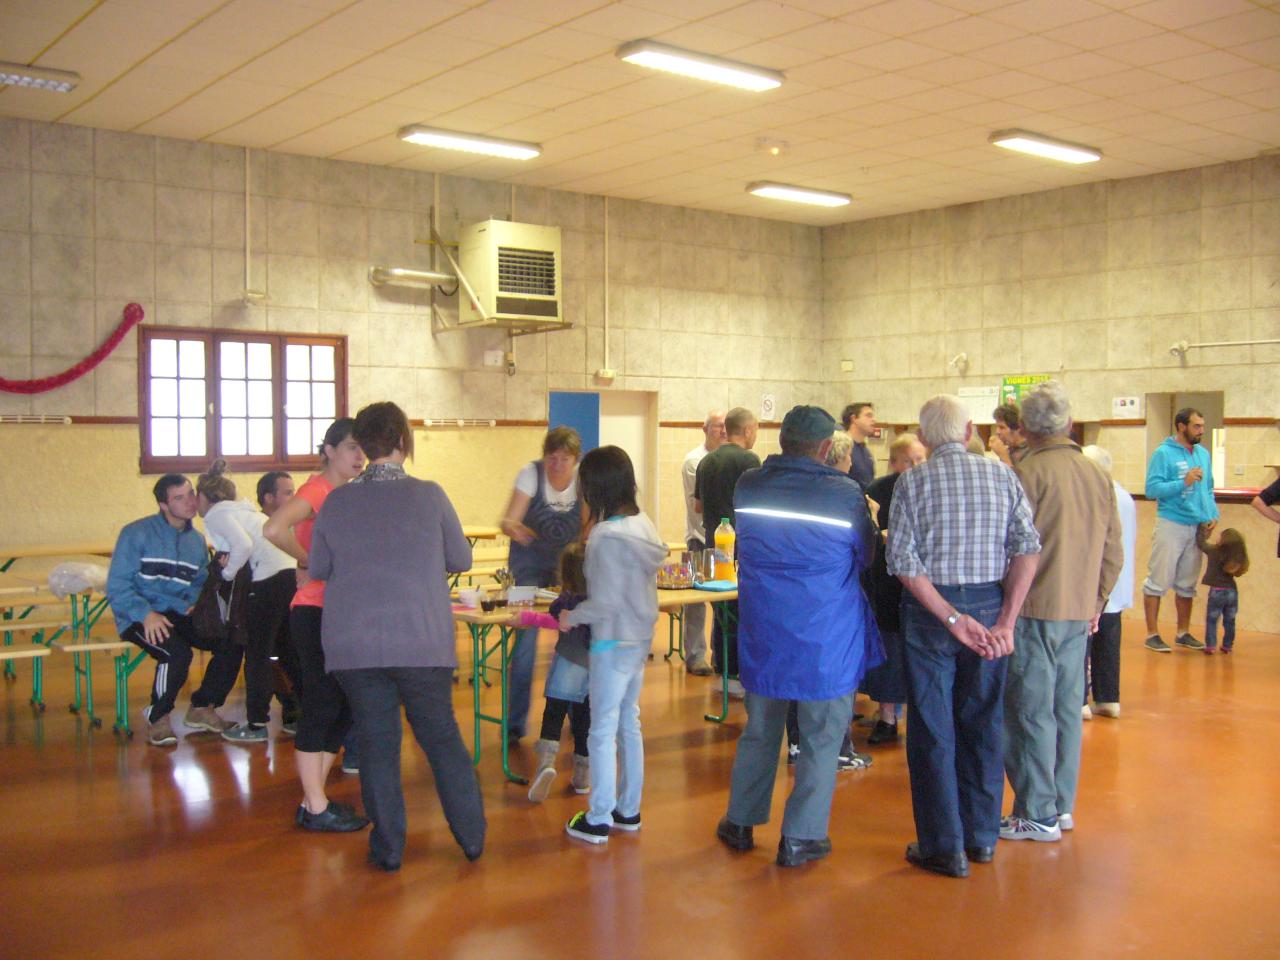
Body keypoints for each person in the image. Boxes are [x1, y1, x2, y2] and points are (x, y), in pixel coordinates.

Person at [309, 401, 485, 870]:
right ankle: (471, 839)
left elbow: (320, 567)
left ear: (362, 445)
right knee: (442, 739)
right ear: (405, 442)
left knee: (377, 745)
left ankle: (388, 850)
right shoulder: (430, 495)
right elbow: (461, 561)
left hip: (354, 644)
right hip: (422, 640)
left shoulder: (337, 501)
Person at [715, 406, 881, 868]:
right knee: (822, 736)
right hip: (825, 635)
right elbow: (866, 555)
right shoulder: (844, 494)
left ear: (781, 439)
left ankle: (741, 821)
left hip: (766, 630)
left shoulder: (748, 485)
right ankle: (801, 838)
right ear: (827, 447)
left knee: (761, 728)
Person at [888, 394, 1040, 878]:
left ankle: (943, 846)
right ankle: (982, 838)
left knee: (933, 728)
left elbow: (903, 564)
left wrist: (951, 618)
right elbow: (1027, 550)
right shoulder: (1002, 475)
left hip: (931, 613)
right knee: (983, 721)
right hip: (991, 607)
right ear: (970, 429)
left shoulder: (910, 483)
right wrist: (1006, 622)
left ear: (925, 437)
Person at [1001, 382, 1122, 844]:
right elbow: (1113, 549)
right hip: (1078, 610)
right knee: (1067, 708)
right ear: (1068, 423)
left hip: (1031, 608)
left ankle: (1035, 810)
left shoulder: (1023, 475)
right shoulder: (1097, 475)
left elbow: (1007, 548)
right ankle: (1060, 805)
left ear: (1026, 428)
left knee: (1030, 710)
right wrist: (1096, 602)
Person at [264, 418, 369, 833]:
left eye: (362, 448)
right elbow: (273, 527)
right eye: (350, 448)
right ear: (328, 451)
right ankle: (315, 804)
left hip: (341, 610)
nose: (359, 456)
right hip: (315, 611)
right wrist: (308, 561)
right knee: (324, 703)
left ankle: (316, 798)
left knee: (345, 706)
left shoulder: (350, 494)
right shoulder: (318, 491)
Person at [561, 446, 667, 845]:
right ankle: (629, 810)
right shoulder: (644, 525)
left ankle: (599, 816)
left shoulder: (605, 536)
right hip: (638, 640)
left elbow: (604, 601)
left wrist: (573, 616)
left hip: (609, 642)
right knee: (628, 723)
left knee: (601, 730)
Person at [107, 474, 243, 746]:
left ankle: (203, 707)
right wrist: (146, 614)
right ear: (163, 505)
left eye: (191, 494)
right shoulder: (136, 533)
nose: (190, 502)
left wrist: (194, 600)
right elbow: (117, 585)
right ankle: (158, 717)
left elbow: (198, 582)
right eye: (179, 498)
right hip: (138, 615)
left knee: (233, 639)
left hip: (179, 612)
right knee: (177, 653)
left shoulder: (196, 541)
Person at [783, 430, 872, 772]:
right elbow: (864, 553)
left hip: (796, 601)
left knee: (796, 676)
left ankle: (796, 743)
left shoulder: (797, 494)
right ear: (836, 457)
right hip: (831, 603)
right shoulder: (847, 495)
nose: (852, 463)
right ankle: (837, 749)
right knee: (831, 680)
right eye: (848, 457)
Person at [196, 464, 302, 744]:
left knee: (257, 654)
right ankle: (305, 713)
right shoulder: (243, 511)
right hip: (287, 577)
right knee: (288, 651)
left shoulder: (218, 514)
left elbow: (242, 545)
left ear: (205, 497)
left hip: (268, 582)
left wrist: (225, 576)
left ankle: (256, 724)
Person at [499, 426, 583, 740]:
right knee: (525, 645)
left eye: (565, 459)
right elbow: (508, 520)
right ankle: (515, 723)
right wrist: (515, 529)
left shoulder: (582, 482)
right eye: (552, 457)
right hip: (529, 565)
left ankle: (578, 718)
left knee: (575, 642)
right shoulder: (530, 474)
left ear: (576, 460)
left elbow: (587, 527)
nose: (557, 464)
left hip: (567, 569)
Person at [861, 432, 927, 745]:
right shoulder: (878, 491)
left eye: (920, 460)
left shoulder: (931, 489)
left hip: (922, 583)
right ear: (894, 463)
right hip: (886, 584)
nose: (915, 466)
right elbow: (868, 535)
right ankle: (887, 715)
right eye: (908, 461)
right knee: (889, 650)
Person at [512, 542, 591, 802]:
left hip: (567, 663)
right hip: (594, 667)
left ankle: (546, 763)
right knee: (583, 719)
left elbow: (551, 621)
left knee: (554, 713)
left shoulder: (565, 602)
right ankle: (582, 775)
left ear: (565, 574)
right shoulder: (598, 602)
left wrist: (525, 618)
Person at [694, 406, 760, 697]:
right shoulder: (749, 460)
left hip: (712, 544)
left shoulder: (707, 461)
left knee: (721, 611)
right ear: (746, 430)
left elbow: (698, 506)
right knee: (739, 611)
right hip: (740, 545)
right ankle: (735, 675)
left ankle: (722, 667)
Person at [1142, 407, 1218, 653]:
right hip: (1171, 523)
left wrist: (1212, 514)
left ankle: (1182, 632)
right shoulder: (1163, 453)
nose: (1201, 431)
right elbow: (1152, 489)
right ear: (1181, 426)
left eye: (1202, 426)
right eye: (1196, 426)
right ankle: (1152, 634)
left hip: (1196, 525)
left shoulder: (1203, 454)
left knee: (1187, 582)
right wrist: (1182, 482)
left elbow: (1208, 488)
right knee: (1158, 580)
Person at [1081, 446, 1135, 719]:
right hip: (1118, 584)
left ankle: (1080, 698)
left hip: (1096, 583)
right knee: (1109, 644)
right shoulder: (1125, 496)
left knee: (1083, 643)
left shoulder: (1094, 495)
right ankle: (1108, 698)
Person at [255, 470, 302, 734]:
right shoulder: (258, 527)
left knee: (295, 650)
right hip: (267, 602)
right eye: (288, 492)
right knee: (274, 652)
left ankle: (299, 703)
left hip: (296, 600)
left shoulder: (296, 526)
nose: (294, 497)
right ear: (268, 498)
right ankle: (288, 704)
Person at [680, 410, 726, 676]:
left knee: (723, 601)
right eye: (717, 426)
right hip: (698, 539)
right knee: (696, 602)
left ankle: (720, 653)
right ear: (704, 429)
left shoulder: (726, 460)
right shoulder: (694, 461)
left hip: (723, 541)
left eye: (724, 426)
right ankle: (695, 655)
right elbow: (700, 506)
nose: (721, 430)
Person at [1196, 522, 1248, 654]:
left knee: (1212, 619)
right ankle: (1227, 645)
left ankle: (1210, 645)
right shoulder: (1237, 557)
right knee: (1230, 620)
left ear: (1224, 541)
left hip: (1217, 592)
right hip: (1231, 591)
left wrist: (1201, 527)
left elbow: (1201, 543)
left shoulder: (1214, 551)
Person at [841, 402, 877, 487]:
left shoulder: (865, 450)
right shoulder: (841, 447)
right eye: (868, 416)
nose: (874, 420)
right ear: (854, 419)